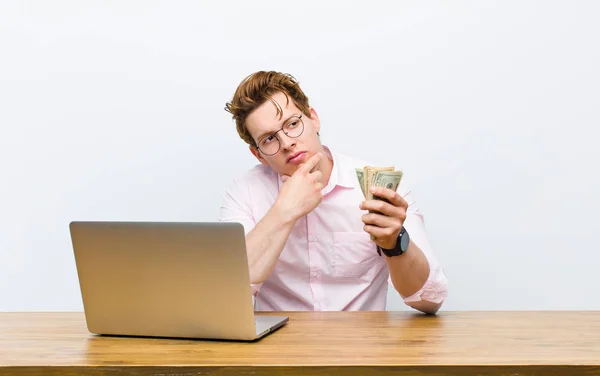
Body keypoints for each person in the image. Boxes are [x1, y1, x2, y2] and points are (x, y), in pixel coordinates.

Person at [219, 71, 448, 314]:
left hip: (360, 348)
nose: (286, 143)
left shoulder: (377, 190)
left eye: (292, 124)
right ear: (258, 155)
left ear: (313, 119)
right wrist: (285, 211)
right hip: (276, 348)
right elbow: (226, 295)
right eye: (268, 139)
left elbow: (430, 301)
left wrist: (395, 244)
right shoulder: (244, 192)